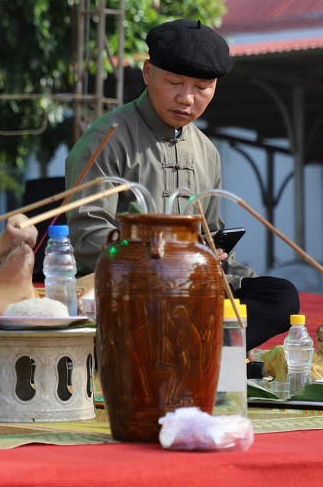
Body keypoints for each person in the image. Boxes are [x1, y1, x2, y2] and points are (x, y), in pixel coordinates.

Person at [65, 18, 300, 352]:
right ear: (148, 73)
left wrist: (219, 260)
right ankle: (198, 350)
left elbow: (211, 235)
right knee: (150, 302)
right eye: (174, 82)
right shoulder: (108, 138)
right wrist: (159, 262)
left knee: (280, 295)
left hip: (192, 287)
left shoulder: (207, 151)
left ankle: (186, 350)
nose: (187, 98)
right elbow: (88, 236)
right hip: (130, 288)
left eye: (202, 87)